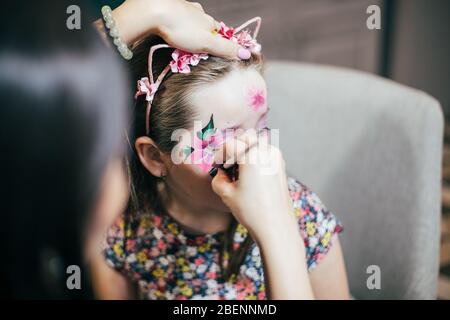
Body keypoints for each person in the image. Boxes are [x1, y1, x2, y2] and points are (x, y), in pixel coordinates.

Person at [0, 0, 251, 299]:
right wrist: (279, 236)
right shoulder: (122, 238)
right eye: (112, 154)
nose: (256, 150)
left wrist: (149, 12)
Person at [94, 18, 350, 299]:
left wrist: (277, 231)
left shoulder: (302, 217)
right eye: (224, 138)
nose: (256, 152)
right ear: (156, 157)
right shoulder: (122, 226)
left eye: (262, 126)